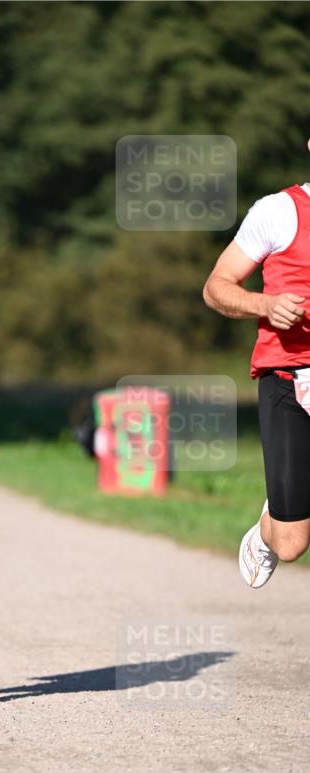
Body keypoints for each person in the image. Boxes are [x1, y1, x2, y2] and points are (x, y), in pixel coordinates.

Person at [203, 158, 310, 588]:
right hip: (287, 378)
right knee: (290, 544)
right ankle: (272, 522)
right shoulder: (278, 211)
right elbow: (216, 286)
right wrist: (265, 305)